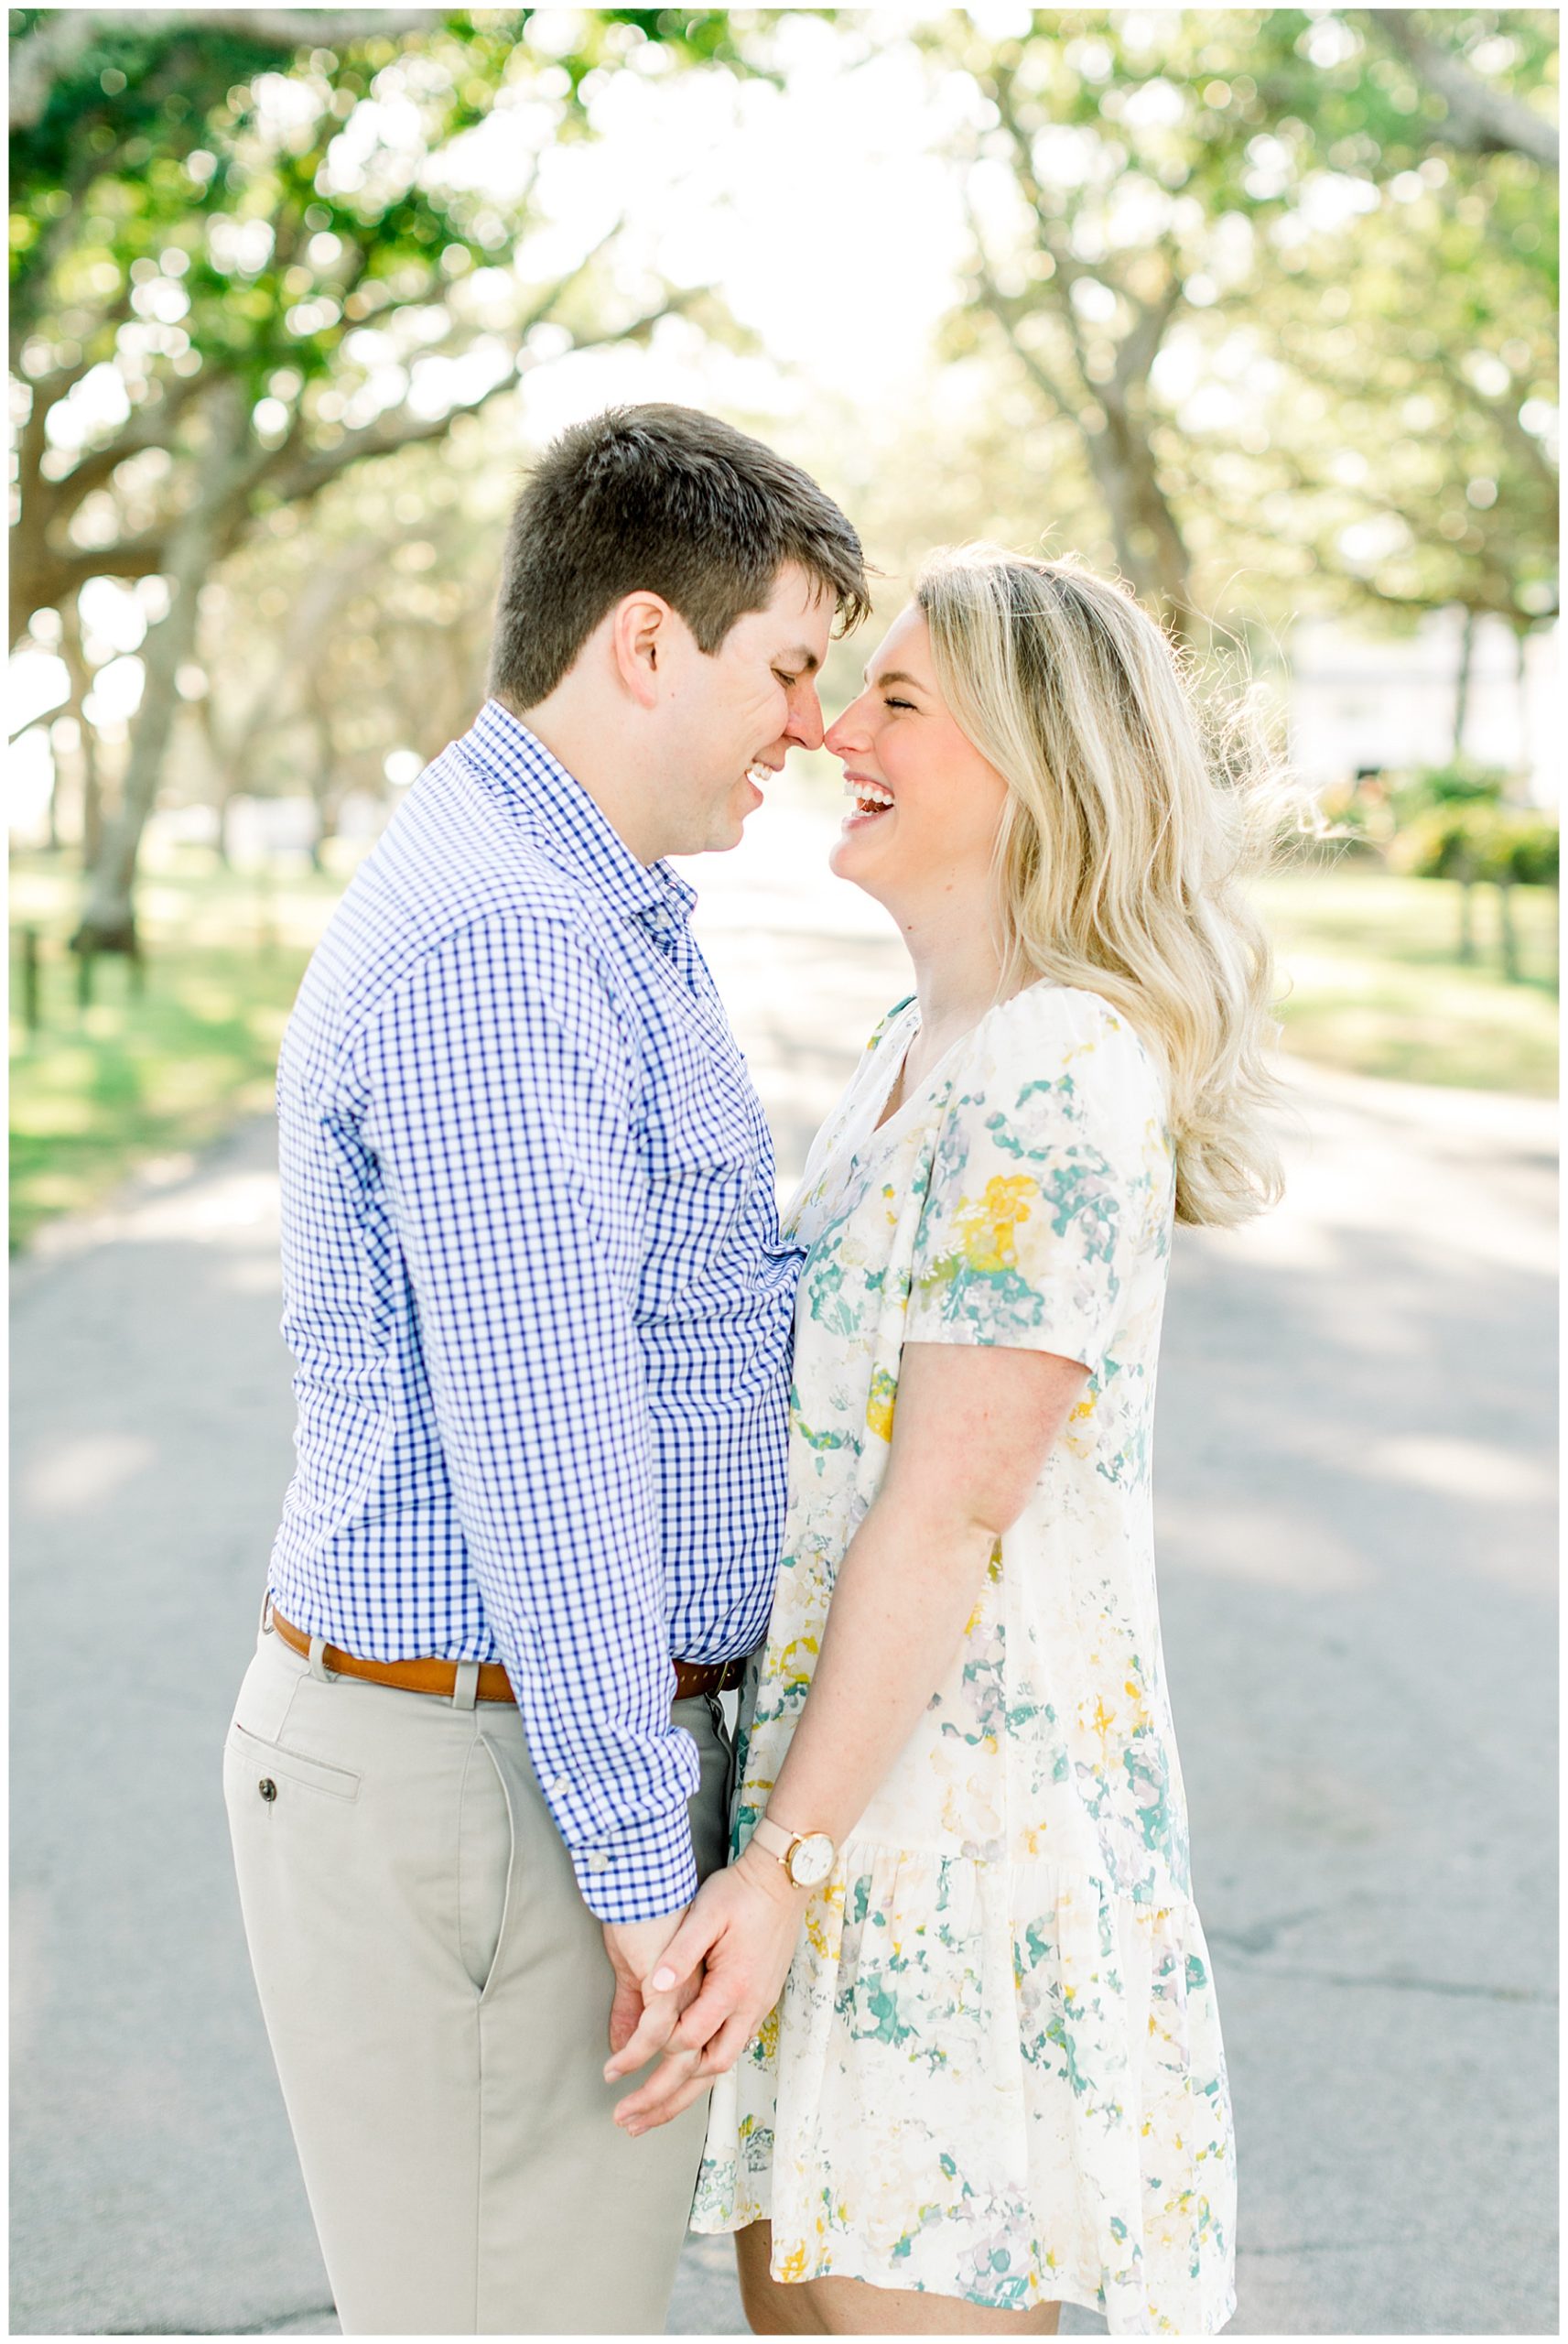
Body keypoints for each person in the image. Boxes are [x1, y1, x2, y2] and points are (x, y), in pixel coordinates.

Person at [222, 404, 868, 2337]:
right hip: (497, 1777)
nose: (814, 726)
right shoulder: (506, 943)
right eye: (789, 664)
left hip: (528, 1756)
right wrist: (629, 1858)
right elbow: (551, 1440)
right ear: (646, 642)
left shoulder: (577, 900)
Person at [607, 546, 1284, 2337]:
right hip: (835, 1801)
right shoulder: (922, 1038)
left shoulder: (1057, 1060)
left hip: (954, 1849)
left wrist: (779, 1868)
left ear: (1037, 764)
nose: (831, 730)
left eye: (896, 700)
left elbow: (945, 1512)